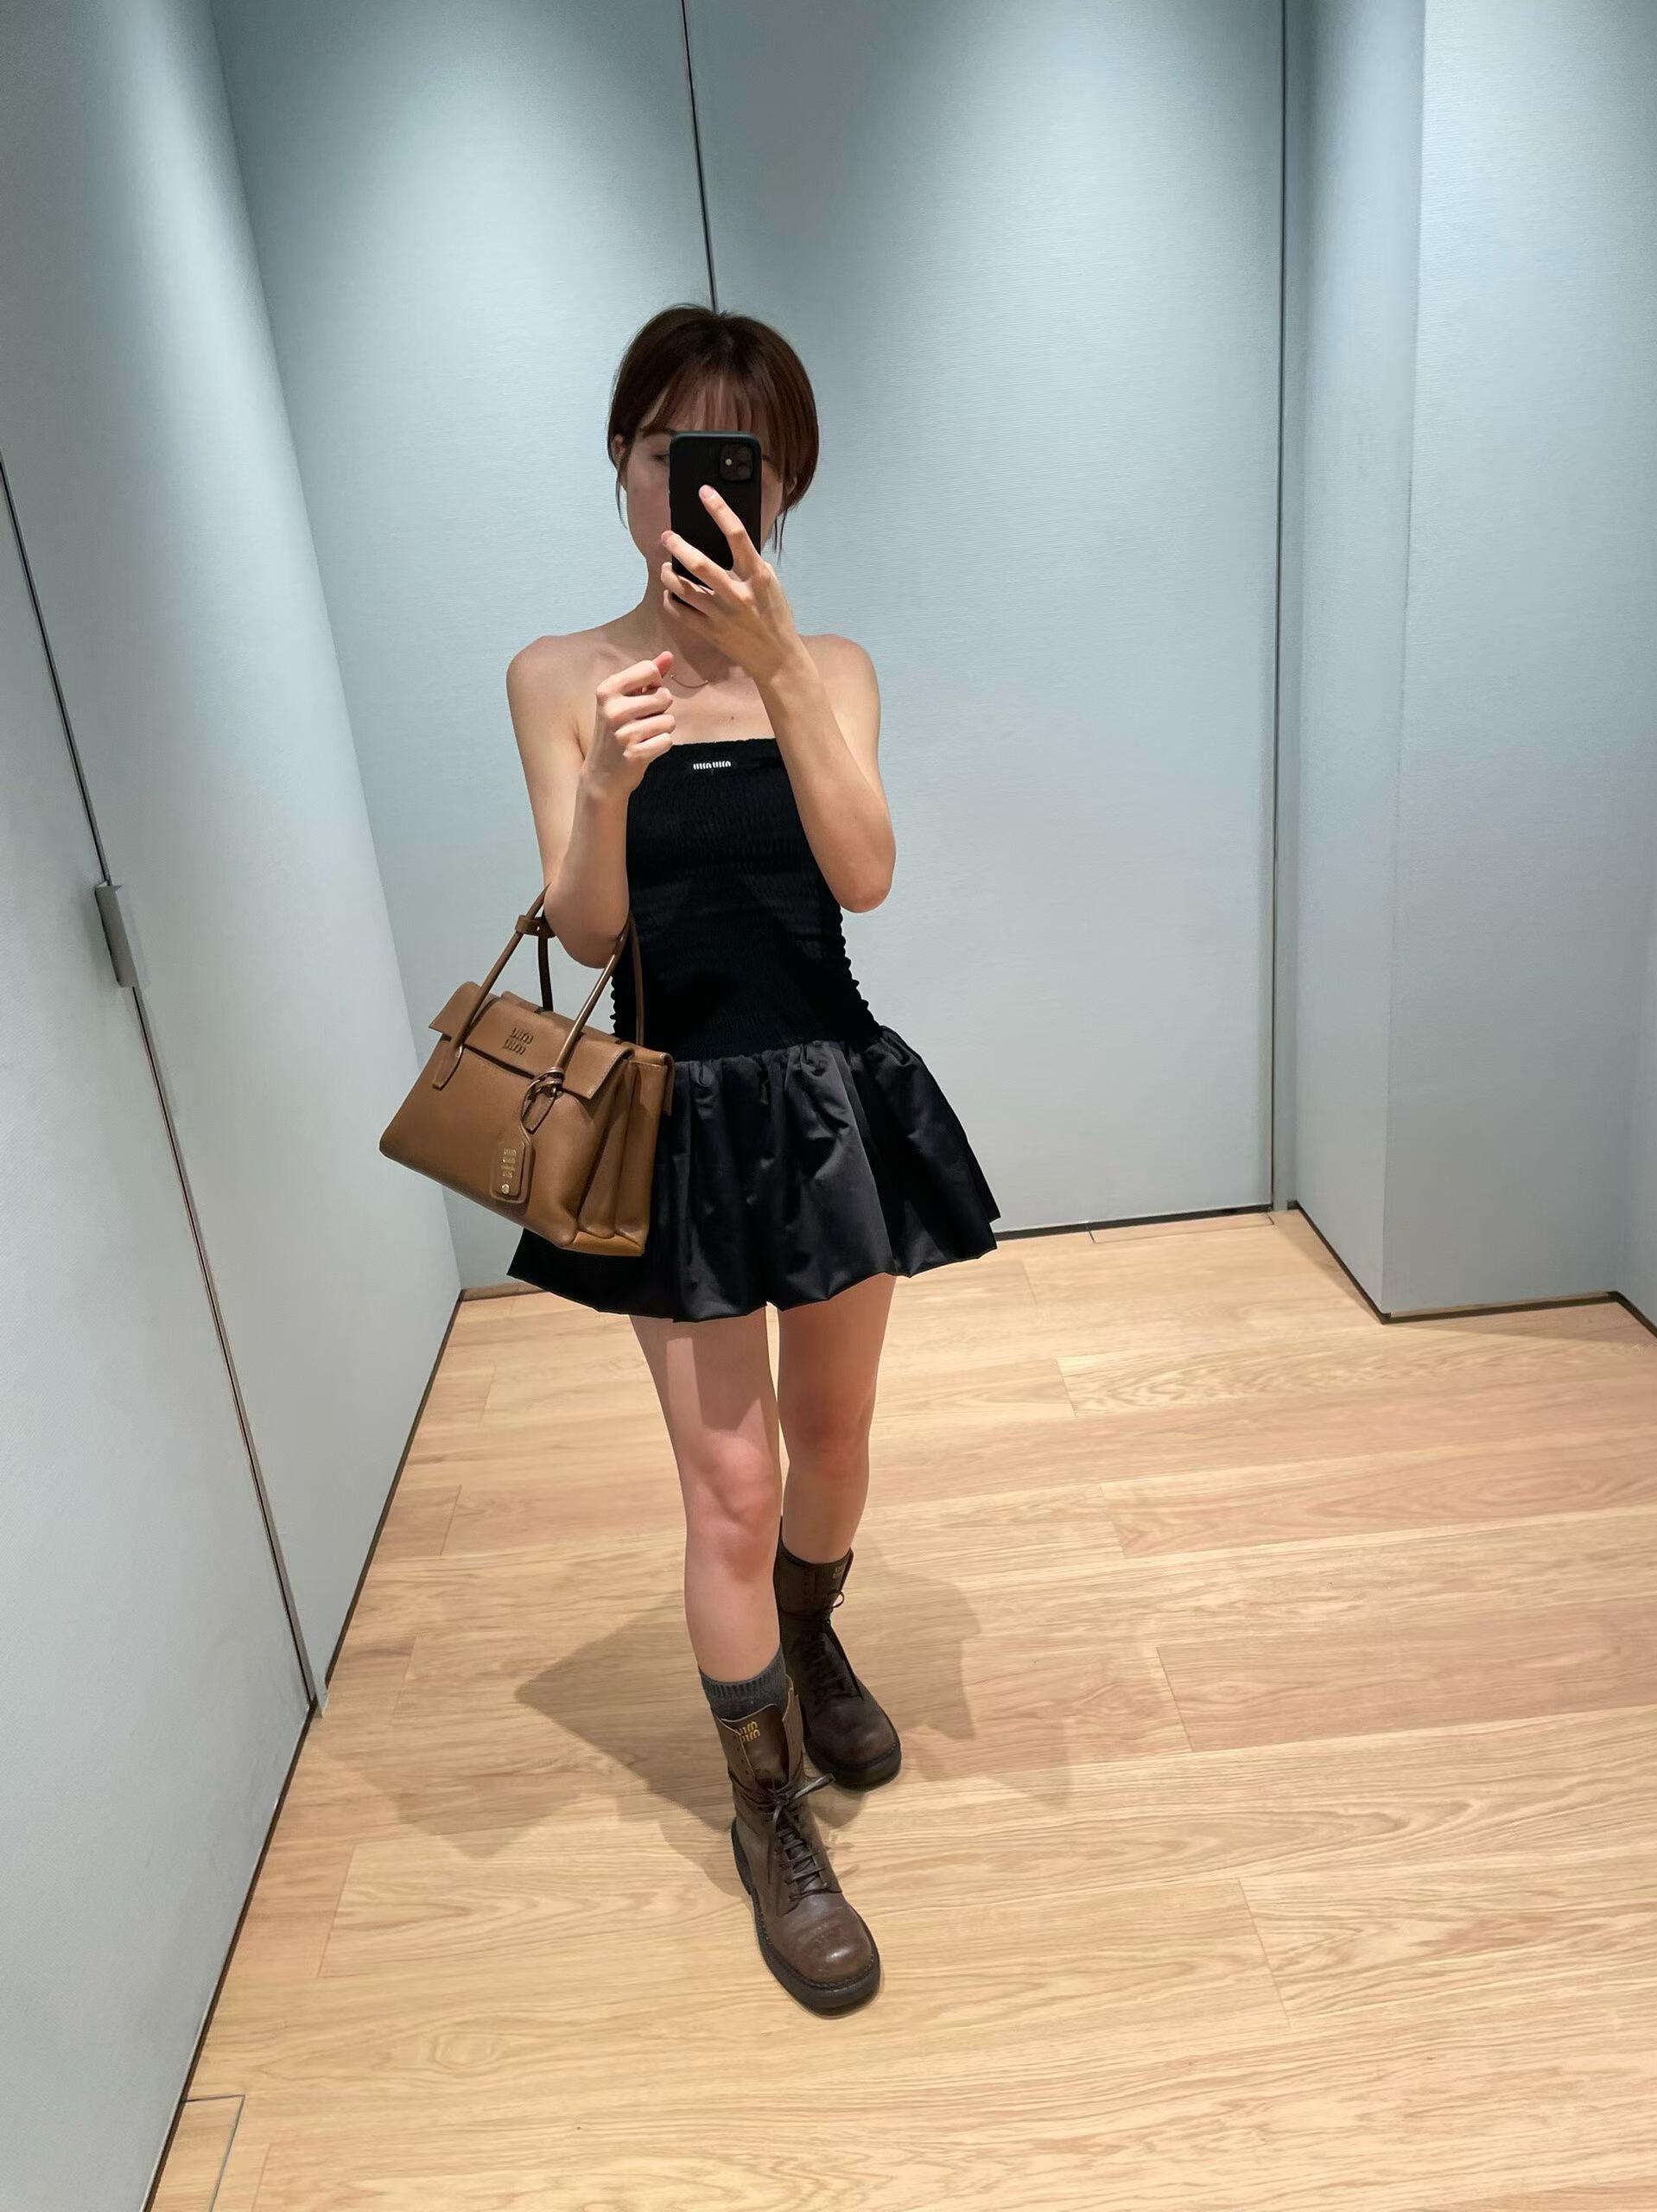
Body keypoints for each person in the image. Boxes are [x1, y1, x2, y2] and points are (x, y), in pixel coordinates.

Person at [501, 304, 1000, 2012]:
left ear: (781, 486)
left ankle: (809, 1631)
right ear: (623, 461)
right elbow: (588, 933)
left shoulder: (830, 664)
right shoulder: (558, 675)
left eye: (744, 462)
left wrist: (779, 668)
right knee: (725, 1484)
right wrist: (604, 788)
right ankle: (768, 1811)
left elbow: (865, 875)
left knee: (833, 1442)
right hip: (676, 1114)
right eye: (671, 451)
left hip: (825, 1098)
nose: (704, 488)